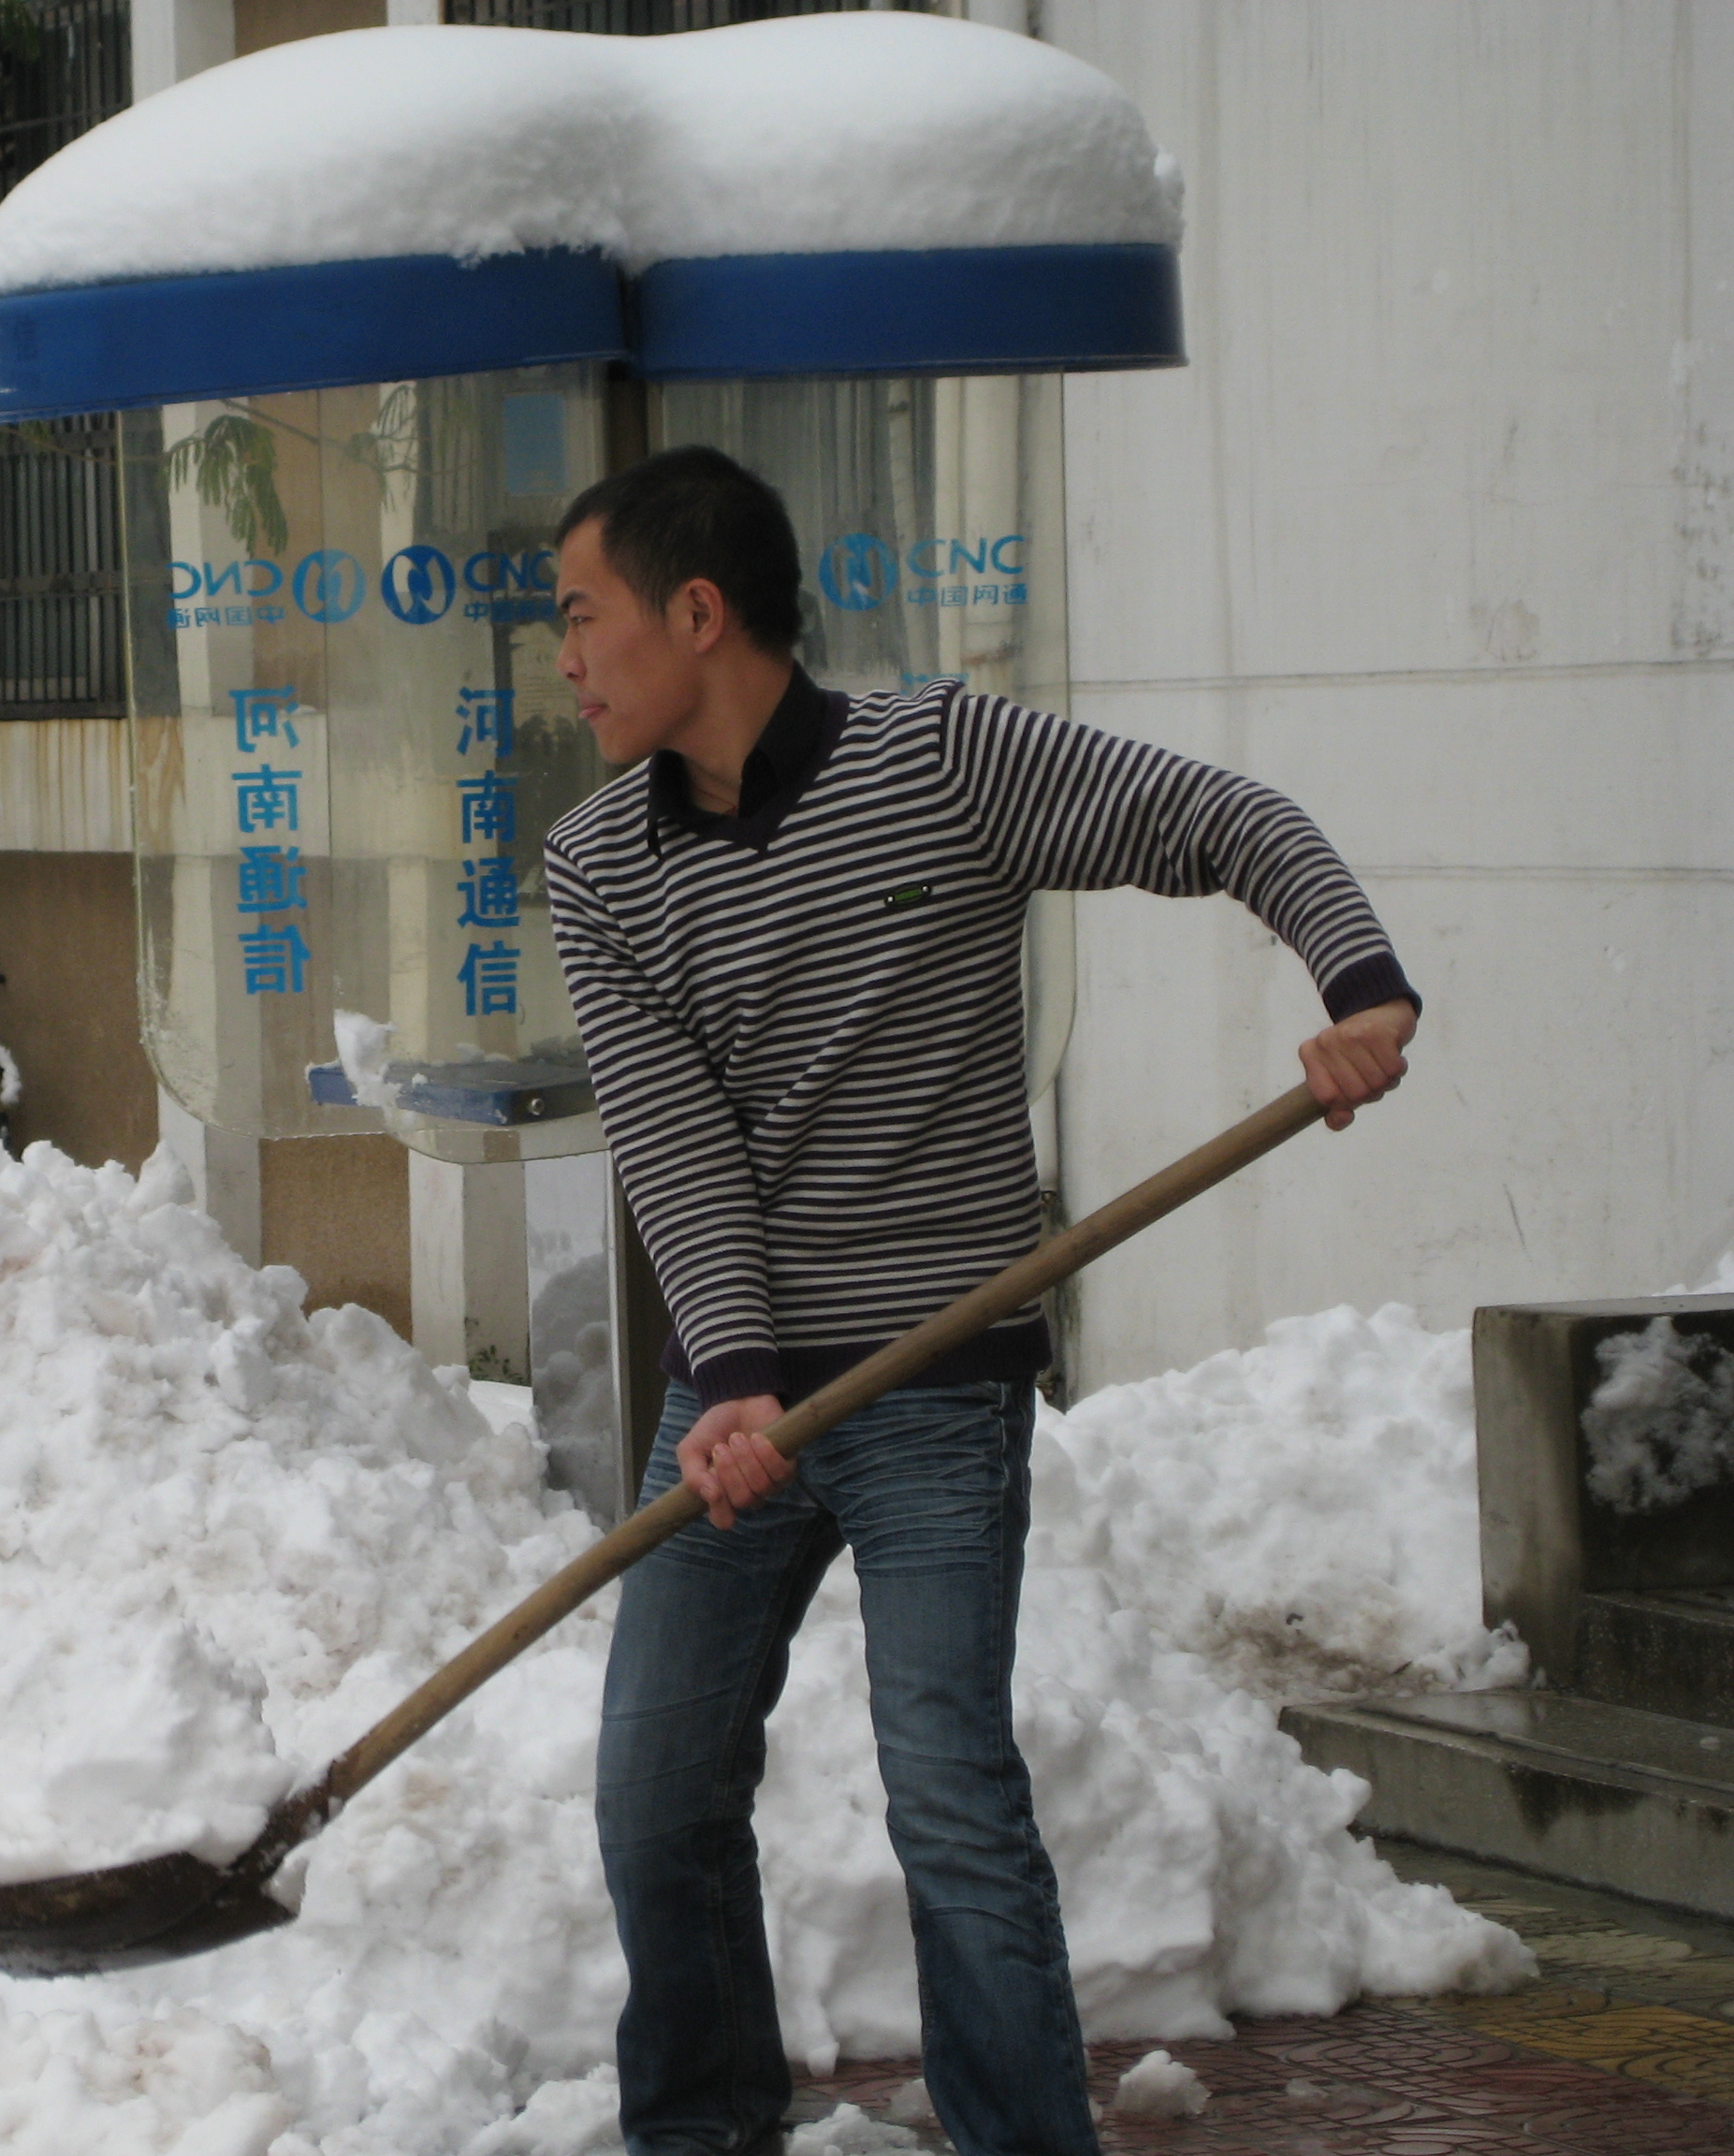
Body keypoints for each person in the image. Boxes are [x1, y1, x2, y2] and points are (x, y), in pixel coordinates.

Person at [539, 446, 1417, 2156]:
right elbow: (675, 1141)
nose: (562, 659)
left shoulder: (941, 763)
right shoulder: (602, 865)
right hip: (738, 1394)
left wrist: (1359, 981)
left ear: (697, 613)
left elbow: (1228, 819)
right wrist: (735, 1378)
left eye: (582, 615)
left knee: (951, 1799)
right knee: (653, 1791)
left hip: (939, 1387)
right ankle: (702, 2131)